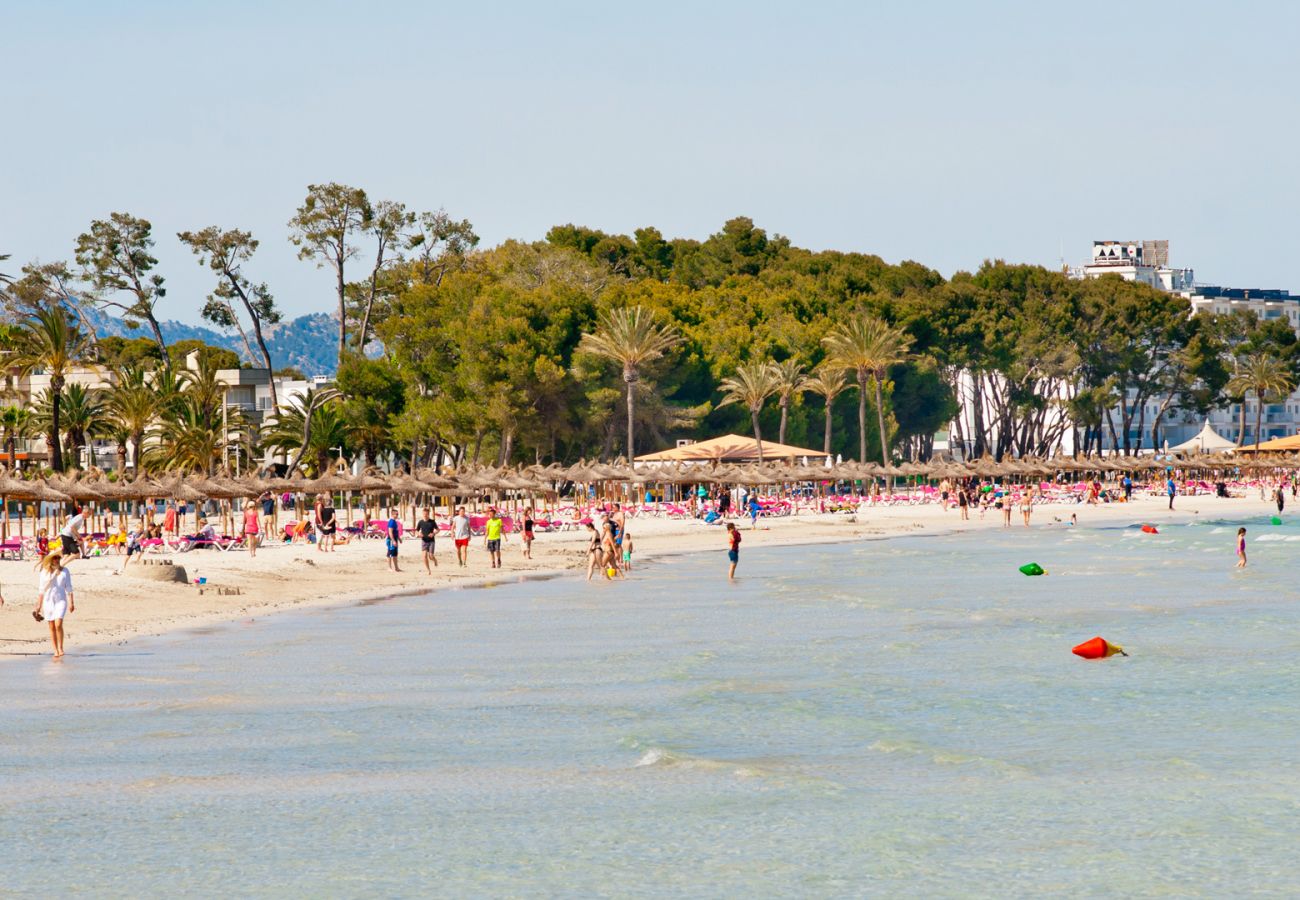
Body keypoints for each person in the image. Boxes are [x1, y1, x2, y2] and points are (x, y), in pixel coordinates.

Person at [35, 551, 74, 659]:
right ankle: (55, 649)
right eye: (55, 558)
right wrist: (39, 605)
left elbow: (69, 587)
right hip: (48, 601)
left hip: (61, 600)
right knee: (51, 626)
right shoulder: (44, 572)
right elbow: (41, 589)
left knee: (58, 623)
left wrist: (71, 602)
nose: (57, 560)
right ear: (51, 560)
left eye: (58, 558)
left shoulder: (65, 571)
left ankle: (61, 647)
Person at [416, 507, 438, 573]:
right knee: (424, 556)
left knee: (430, 556)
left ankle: (435, 560)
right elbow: (416, 531)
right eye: (424, 514)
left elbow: (438, 530)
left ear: (428, 514)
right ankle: (429, 570)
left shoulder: (432, 522)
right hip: (424, 541)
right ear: (422, 514)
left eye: (426, 514)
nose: (425, 515)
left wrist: (433, 533)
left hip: (431, 541)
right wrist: (419, 534)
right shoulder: (420, 522)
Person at [385, 507, 402, 572]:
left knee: (395, 554)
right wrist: (393, 540)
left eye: (397, 514)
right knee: (390, 553)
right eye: (396, 514)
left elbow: (396, 531)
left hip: (395, 539)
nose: (397, 515)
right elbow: (390, 532)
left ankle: (396, 568)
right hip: (391, 539)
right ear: (392, 515)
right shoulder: (391, 522)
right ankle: (389, 567)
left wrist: (399, 538)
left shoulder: (395, 521)